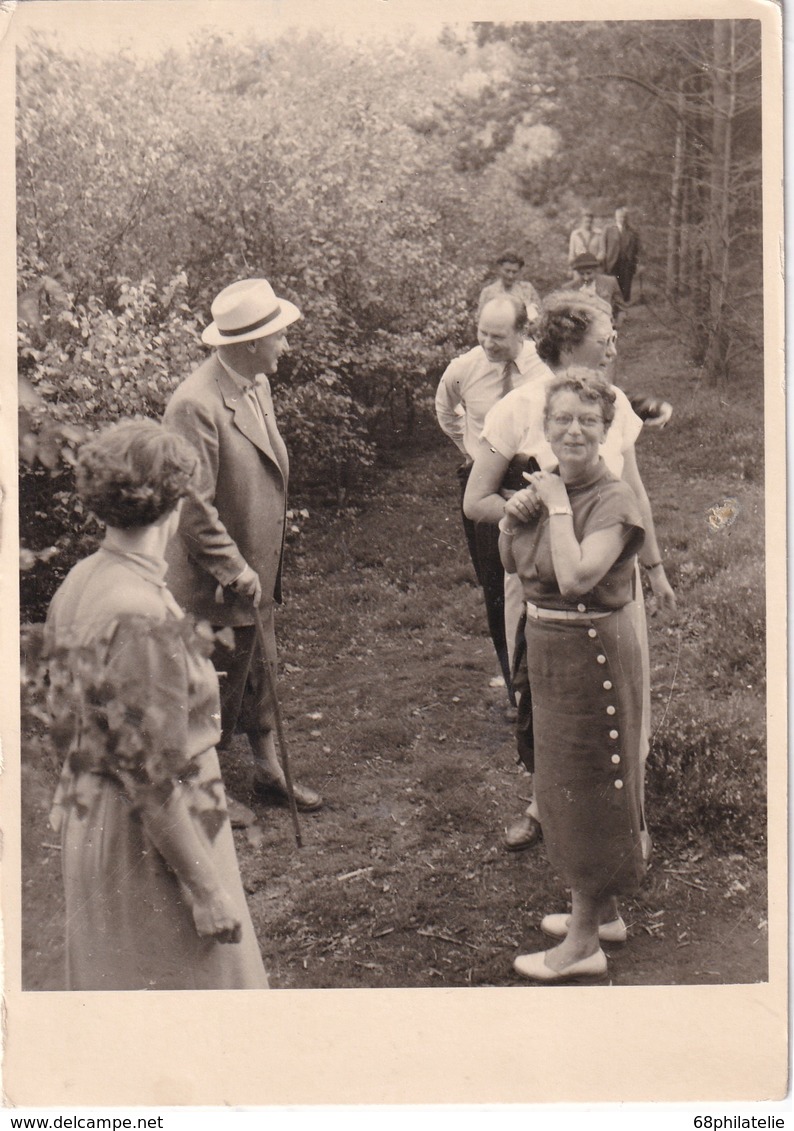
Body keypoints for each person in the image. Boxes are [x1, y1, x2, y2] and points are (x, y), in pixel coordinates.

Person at [46, 420, 269, 990]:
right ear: (174, 507)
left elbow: (65, 714)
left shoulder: (82, 580)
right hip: (153, 845)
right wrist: (207, 890)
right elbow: (151, 777)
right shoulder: (140, 613)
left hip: (98, 818)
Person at [464, 291, 675, 851]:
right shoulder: (518, 407)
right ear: (570, 339)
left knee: (622, 693)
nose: (613, 343)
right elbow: (475, 499)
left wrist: (652, 567)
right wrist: (522, 508)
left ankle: (630, 815)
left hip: (608, 577)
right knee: (541, 693)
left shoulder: (615, 402)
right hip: (537, 579)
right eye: (604, 333)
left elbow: (634, 491)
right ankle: (544, 805)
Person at [500, 372, 648, 982]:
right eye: (562, 419)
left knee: (591, 787)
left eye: (588, 421)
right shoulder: (549, 487)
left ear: (606, 430)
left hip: (592, 653)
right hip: (550, 648)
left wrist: (557, 507)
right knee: (563, 783)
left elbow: (578, 578)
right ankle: (602, 911)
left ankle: (584, 944)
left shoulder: (612, 500)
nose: (574, 431)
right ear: (546, 426)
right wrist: (514, 517)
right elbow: (517, 564)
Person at [164, 278, 322, 819]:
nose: (285, 346)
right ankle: (199, 791)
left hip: (255, 562)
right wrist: (234, 569)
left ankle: (268, 772)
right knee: (210, 684)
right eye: (279, 336)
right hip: (214, 577)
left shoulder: (255, 381)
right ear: (252, 342)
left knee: (259, 667)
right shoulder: (194, 404)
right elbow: (190, 505)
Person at [435, 295, 550, 712]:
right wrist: (471, 454)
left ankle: (547, 684)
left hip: (534, 480)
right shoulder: (464, 369)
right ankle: (516, 690)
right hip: (482, 487)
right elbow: (446, 410)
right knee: (496, 588)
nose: (487, 342)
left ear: (523, 332)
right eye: (482, 332)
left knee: (540, 579)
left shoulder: (545, 367)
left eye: (498, 336)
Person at [477, 251, 542, 333]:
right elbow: (480, 321)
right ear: (499, 269)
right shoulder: (488, 292)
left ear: (519, 271)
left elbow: (540, 318)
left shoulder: (527, 289)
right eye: (507, 271)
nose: (510, 276)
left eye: (514, 272)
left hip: (523, 338)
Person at [569, 252, 626, 326]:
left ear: (596, 270)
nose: (585, 277)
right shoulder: (571, 287)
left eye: (589, 273)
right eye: (581, 274)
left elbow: (622, 308)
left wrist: (618, 323)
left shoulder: (610, 282)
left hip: (605, 325)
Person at [603, 206, 641, 302]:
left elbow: (637, 249)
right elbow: (603, 247)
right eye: (620, 217)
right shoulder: (608, 229)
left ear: (627, 218)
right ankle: (612, 312)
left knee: (626, 288)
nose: (622, 219)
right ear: (615, 217)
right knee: (612, 288)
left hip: (627, 264)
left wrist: (637, 263)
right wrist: (604, 263)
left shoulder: (633, 231)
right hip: (612, 264)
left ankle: (624, 312)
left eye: (624, 217)